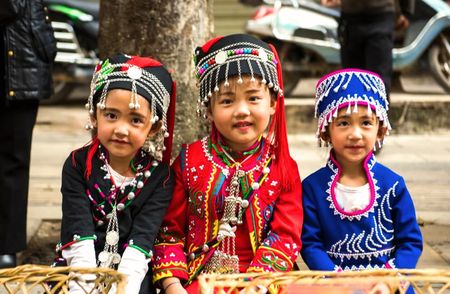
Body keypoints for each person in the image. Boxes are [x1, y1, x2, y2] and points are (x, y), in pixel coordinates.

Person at [151, 33, 303, 294]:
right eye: (227, 101)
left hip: (267, 281)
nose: (241, 110)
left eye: (253, 98)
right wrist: (173, 284)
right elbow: (169, 233)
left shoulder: (282, 165)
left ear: (273, 103)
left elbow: (286, 235)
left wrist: (258, 284)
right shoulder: (188, 162)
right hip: (201, 281)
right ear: (208, 110)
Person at [55, 54, 176, 294]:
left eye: (135, 120)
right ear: (94, 115)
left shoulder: (160, 177)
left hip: (131, 269)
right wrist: (84, 287)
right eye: (111, 115)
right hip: (80, 266)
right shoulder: (78, 165)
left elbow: (143, 239)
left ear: (153, 128)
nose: (121, 129)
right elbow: (78, 228)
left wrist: (123, 288)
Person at [301, 69, 423, 289]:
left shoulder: (393, 185)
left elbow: (410, 242)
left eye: (366, 122)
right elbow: (311, 244)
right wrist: (337, 281)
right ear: (325, 132)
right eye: (344, 123)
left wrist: (389, 281)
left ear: (380, 131)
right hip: (335, 288)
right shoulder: (312, 188)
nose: (355, 134)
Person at [0, 0, 56, 268]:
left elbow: (12, 6)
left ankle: (6, 246)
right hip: (22, 55)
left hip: (22, 61)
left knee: (14, 159)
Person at [321, 0, 415, 98]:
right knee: (353, 80)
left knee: (378, 80)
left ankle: (378, 112)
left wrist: (406, 11)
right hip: (351, 19)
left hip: (380, 16)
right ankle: (356, 112)